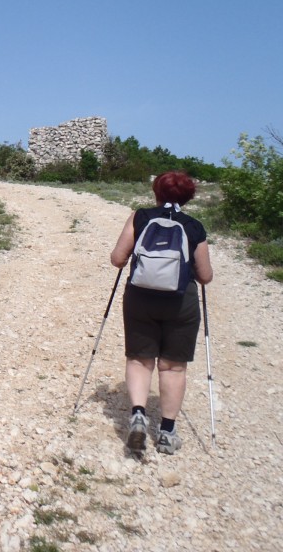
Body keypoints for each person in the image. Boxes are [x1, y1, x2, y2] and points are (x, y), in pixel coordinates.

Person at [110, 171, 213, 455]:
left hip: (140, 298)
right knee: (173, 365)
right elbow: (204, 276)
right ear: (188, 197)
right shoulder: (193, 226)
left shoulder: (140, 217)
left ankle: (139, 415)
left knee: (140, 359)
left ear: (156, 192)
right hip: (180, 302)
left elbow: (118, 259)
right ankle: (167, 431)